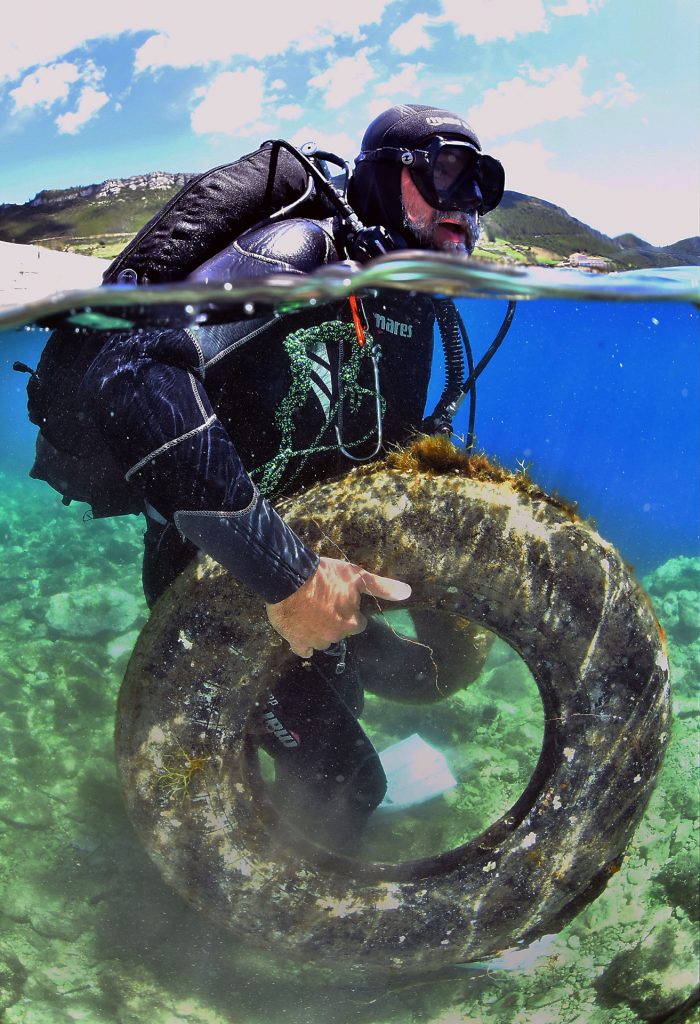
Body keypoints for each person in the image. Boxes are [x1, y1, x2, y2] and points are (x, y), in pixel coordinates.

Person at [27, 104, 505, 847]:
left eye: (483, 184)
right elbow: (135, 369)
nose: (466, 205)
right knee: (351, 783)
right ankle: (219, 883)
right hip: (214, 576)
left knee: (356, 696)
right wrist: (292, 581)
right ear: (385, 176)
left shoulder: (411, 309)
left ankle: (246, 776)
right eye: (447, 171)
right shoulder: (300, 250)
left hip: (296, 559)